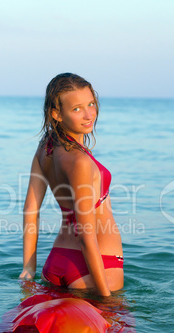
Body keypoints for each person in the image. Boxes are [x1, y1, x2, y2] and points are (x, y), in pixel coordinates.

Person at [19, 73, 123, 297]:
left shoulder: (45, 147)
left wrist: (29, 269)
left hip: (56, 263)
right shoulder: (80, 161)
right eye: (77, 109)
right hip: (93, 267)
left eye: (91, 104)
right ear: (56, 114)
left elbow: (30, 211)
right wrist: (106, 298)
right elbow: (87, 234)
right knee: (116, 331)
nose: (89, 115)